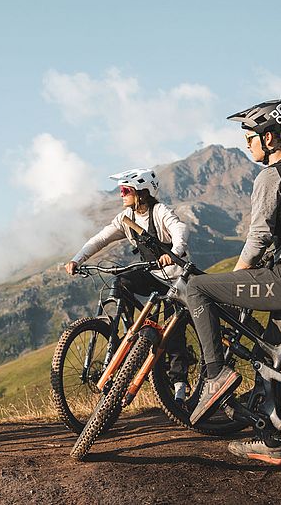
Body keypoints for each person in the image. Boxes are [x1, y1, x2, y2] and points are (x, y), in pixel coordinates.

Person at [183, 99, 281, 465]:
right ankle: (270, 439)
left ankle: (215, 375)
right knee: (267, 353)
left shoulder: (272, 176)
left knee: (196, 287)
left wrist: (236, 283)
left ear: (269, 137)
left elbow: (257, 238)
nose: (247, 143)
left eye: (250, 136)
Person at [65, 168, 192, 402]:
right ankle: (133, 332)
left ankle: (180, 384)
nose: (120, 195)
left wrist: (174, 252)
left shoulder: (159, 211)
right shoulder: (126, 219)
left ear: (141, 193)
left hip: (175, 277)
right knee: (122, 281)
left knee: (173, 332)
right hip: (154, 276)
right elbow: (101, 239)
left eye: (125, 190)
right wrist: (77, 259)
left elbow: (180, 229)